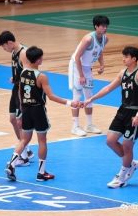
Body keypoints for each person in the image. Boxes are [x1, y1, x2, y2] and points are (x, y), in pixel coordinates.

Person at [5, 46, 81, 182]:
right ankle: (41, 173)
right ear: (38, 60)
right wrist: (70, 103)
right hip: (38, 111)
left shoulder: (22, 74)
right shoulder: (41, 77)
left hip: (26, 110)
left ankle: (11, 163)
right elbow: (51, 96)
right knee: (42, 141)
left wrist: (20, 114)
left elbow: (19, 93)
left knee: (24, 140)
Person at [85, 46, 138, 188]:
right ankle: (130, 164)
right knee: (110, 140)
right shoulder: (123, 73)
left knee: (127, 146)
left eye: (126, 57)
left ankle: (122, 177)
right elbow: (108, 88)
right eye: (123, 56)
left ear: (134, 59)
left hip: (134, 113)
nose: (123, 59)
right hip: (122, 111)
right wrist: (92, 98)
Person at [68, 15, 109, 136]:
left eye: (106, 26)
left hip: (87, 68)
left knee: (89, 96)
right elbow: (77, 57)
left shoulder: (105, 39)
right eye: (102, 26)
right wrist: (81, 75)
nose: (105, 28)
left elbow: (99, 51)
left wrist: (102, 64)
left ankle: (89, 125)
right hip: (76, 66)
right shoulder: (88, 39)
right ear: (96, 26)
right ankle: (75, 126)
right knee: (77, 95)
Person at [0, 31, 33, 166]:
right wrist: (15, 78)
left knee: (20, 122)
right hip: (16, 89)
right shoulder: (14, 52)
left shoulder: (23, 53)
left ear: (9, 43)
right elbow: (20, 72)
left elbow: (29, 74)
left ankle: (23, 157)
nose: (4, 49)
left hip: (22, 91)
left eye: (3, 47)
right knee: (13, 119)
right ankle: (26, 149)